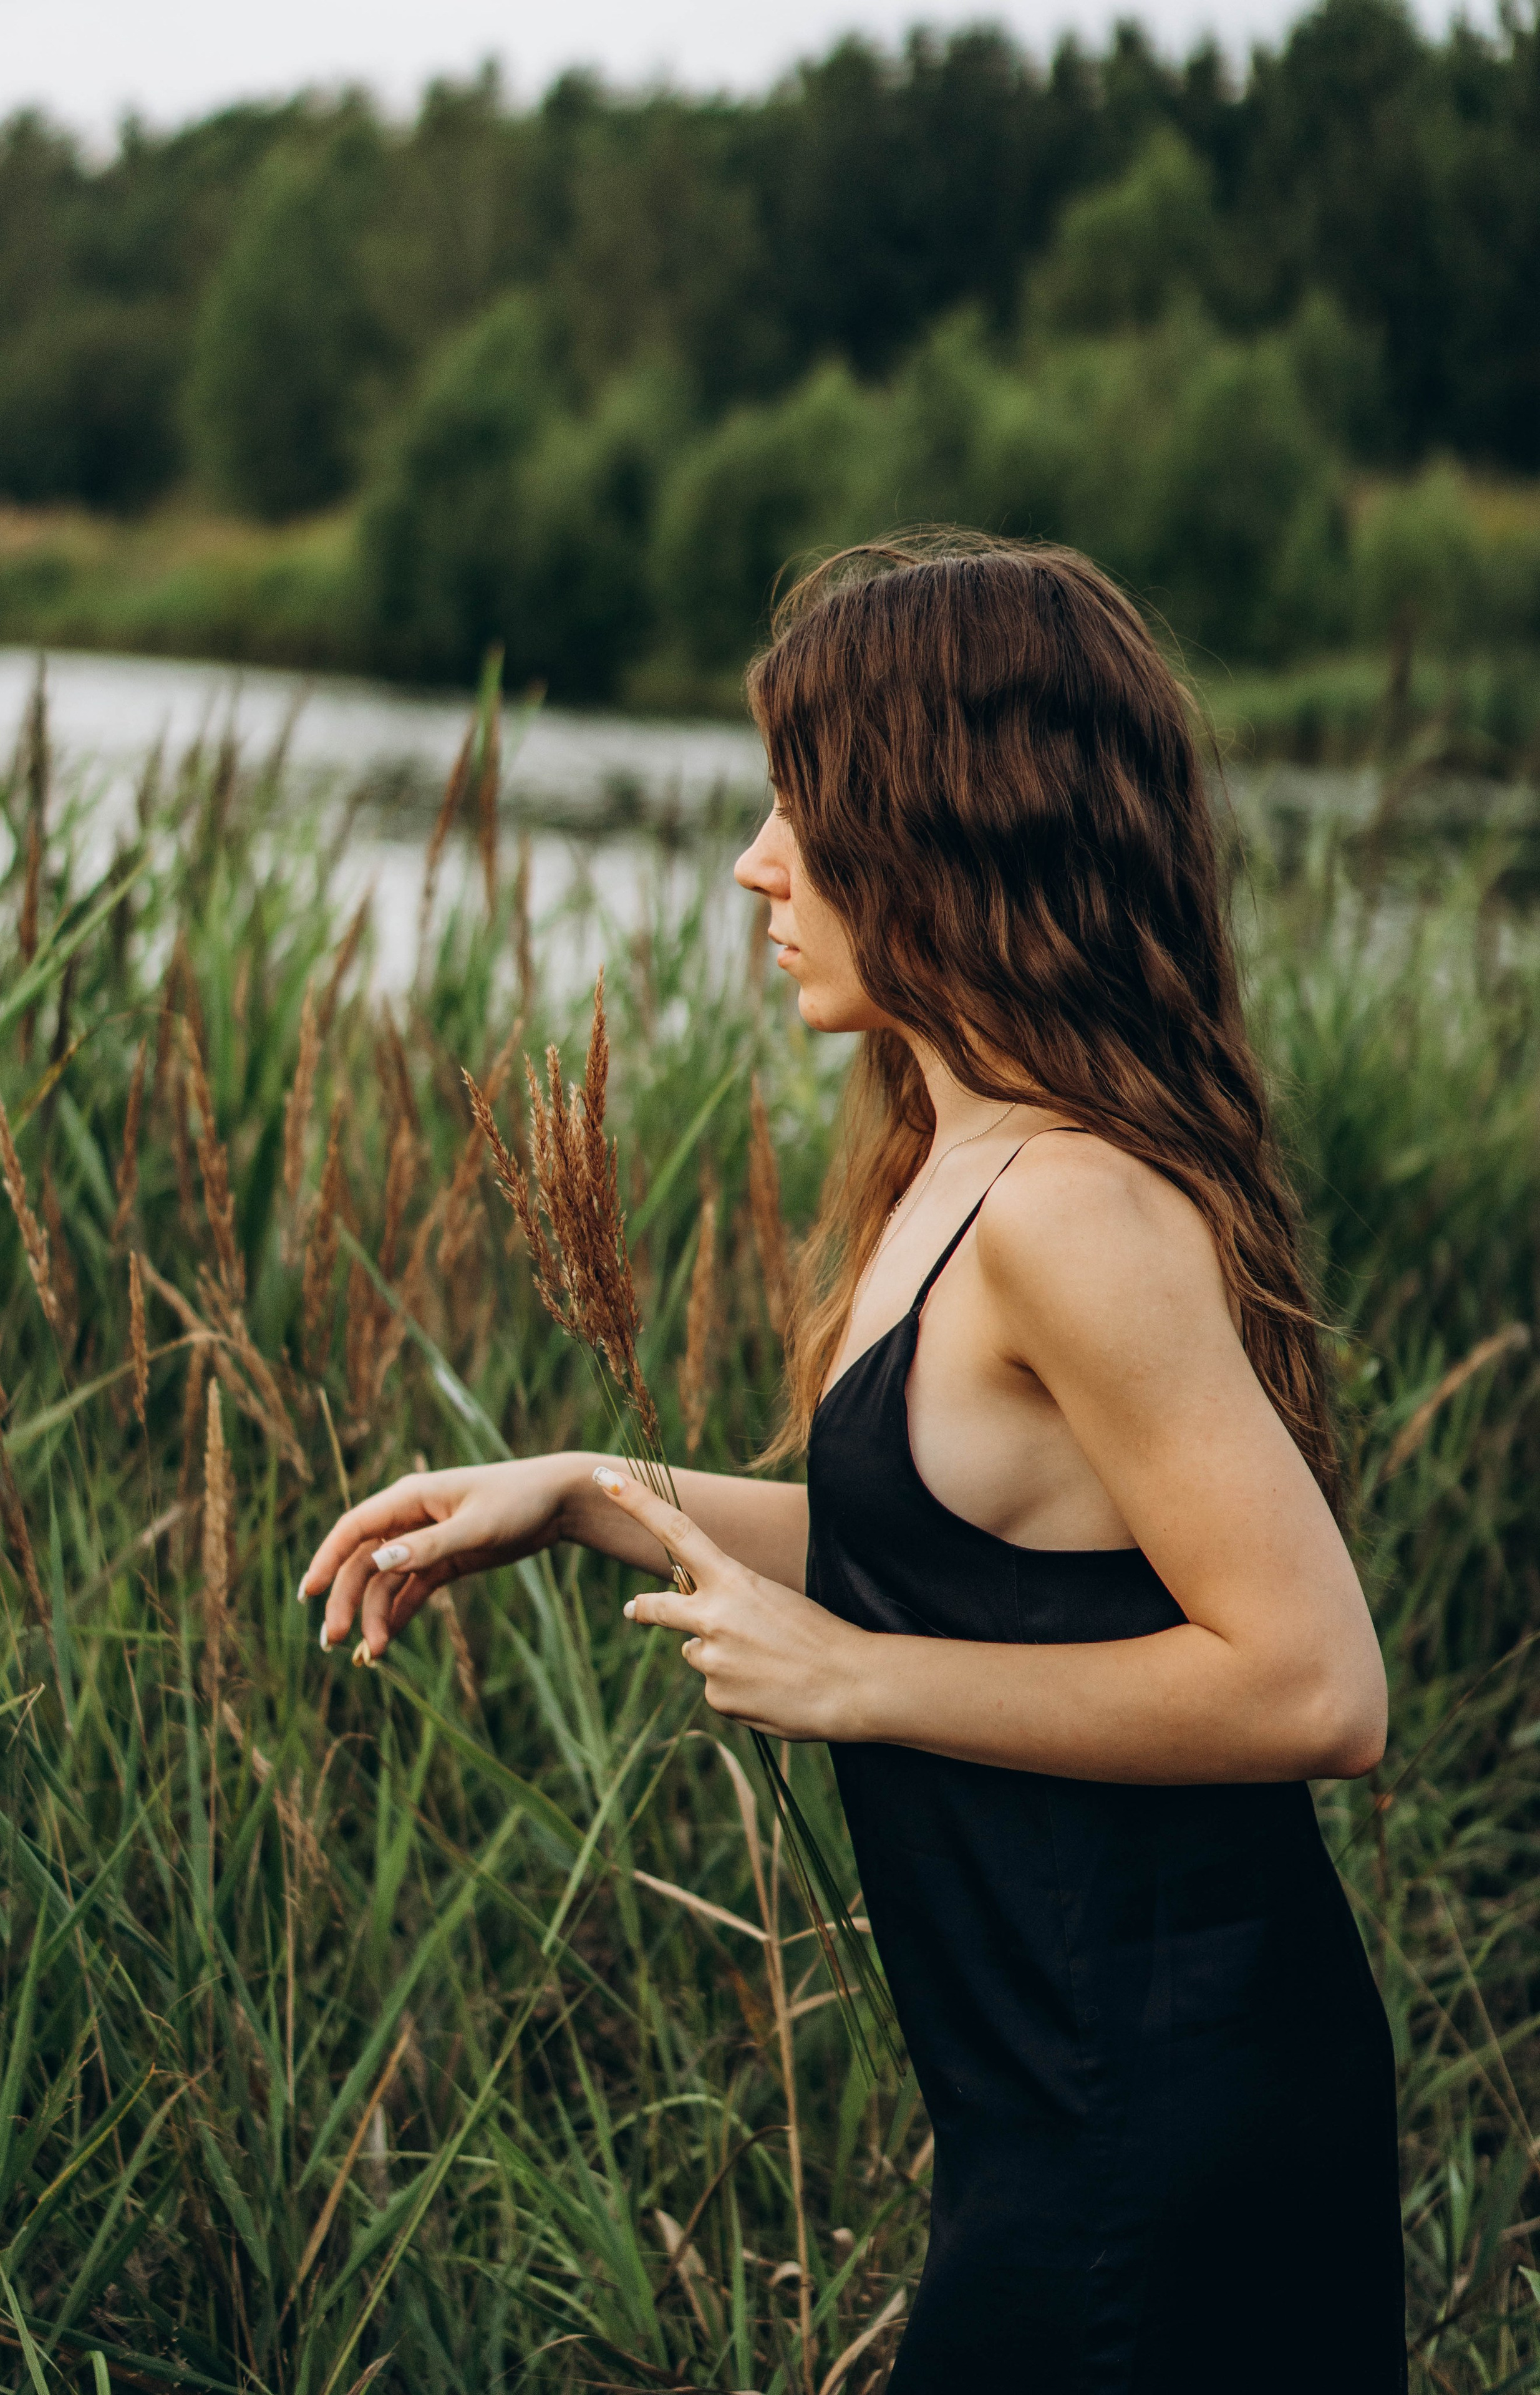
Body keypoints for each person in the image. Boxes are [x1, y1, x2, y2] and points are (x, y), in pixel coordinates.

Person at [299, 538, 1406, 2393]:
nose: (755, 863)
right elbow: (957, 1554)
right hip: (1045, 2114)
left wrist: (862, 1686)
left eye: (803, 809)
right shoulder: (950, 1164)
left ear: (947, 824)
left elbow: (1314, 1682)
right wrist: (588, 1491)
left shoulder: (1076, 1208)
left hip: (1167, 2117)